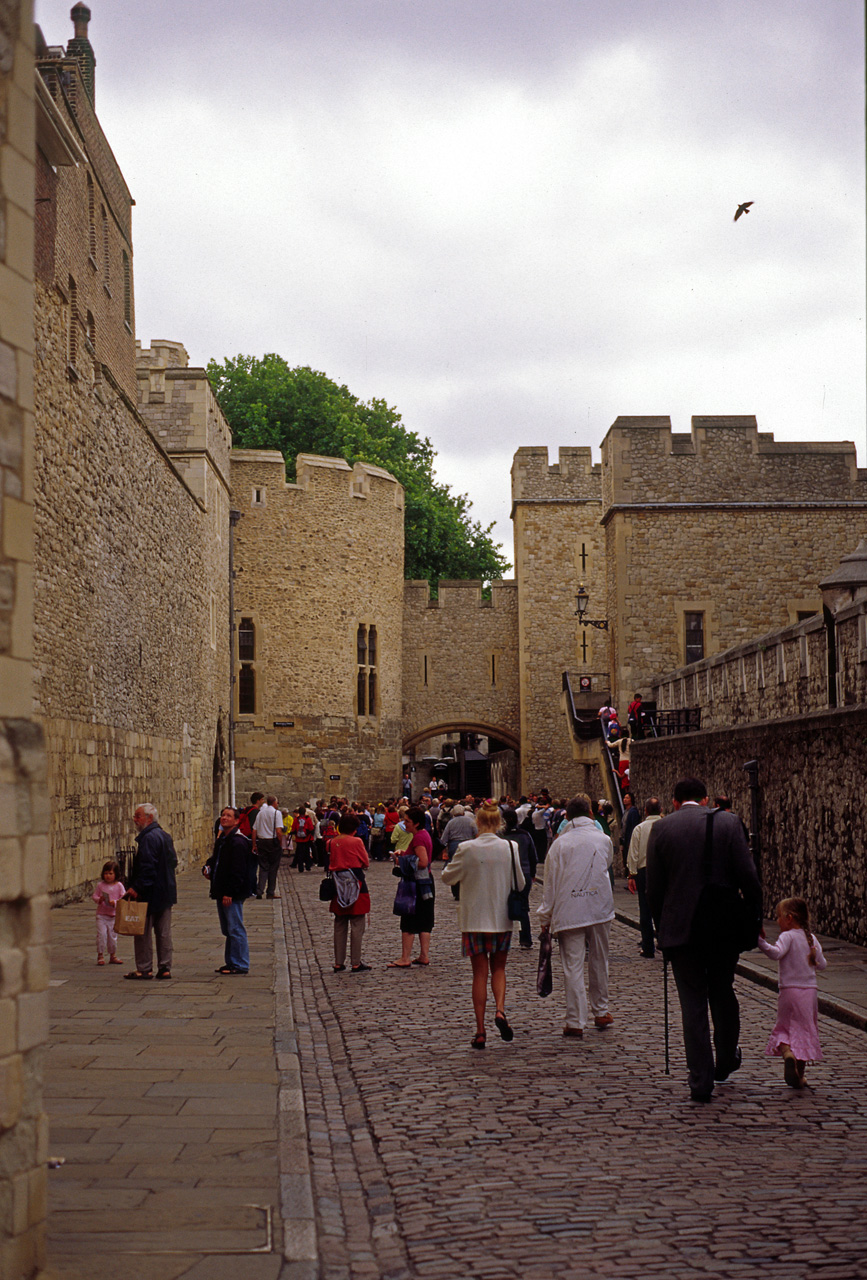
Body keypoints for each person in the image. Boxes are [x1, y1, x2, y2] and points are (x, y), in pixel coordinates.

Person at [646, 777, 762, 1103]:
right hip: (722, 927)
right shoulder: (728, 823)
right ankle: (725, 1060)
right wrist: (754, 918)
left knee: (692, 1003)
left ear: (674, 802)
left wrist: (661, 928)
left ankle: (701, 1080)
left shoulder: (662, 829)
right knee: (723, 992)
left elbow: (654, 889)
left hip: (682, 932)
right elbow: (749, 878)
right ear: (707, 799)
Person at [442, 801, 524, 1048]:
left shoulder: (467, 848)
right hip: (501, 918)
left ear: (477, 822)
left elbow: (448, 877)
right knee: (499, 969)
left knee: (479, 973)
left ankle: (480, 1030)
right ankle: (500, 1010)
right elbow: (520, 883)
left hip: (475, 919)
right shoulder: (511, 847)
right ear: (499, 823)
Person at [536, 795, 615, 1037]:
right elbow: (607, 865)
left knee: (573, 965)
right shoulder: (603, 840)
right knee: (599, 960)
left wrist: (545, 918)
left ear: (567, 816)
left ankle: (575, 1020)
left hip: (570, 909)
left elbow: (550, 884)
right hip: (599, 906)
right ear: (591, 813)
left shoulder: (560, 845)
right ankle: (600, 1010)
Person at [757, 897, 826, 1089]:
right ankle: (800, 1075)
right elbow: (823, 965)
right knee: (804, 1032)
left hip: (789, 992)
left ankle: (787, 1054)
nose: (777, 921)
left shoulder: (787, 937)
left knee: (784, 1028)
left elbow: (776, 953)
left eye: (778, 917)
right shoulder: (811, 938)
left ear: (789, 918)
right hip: (809, 994)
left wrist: (760, 941)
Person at [124, 803, 178, 980]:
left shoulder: (148, 838)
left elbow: (148, 867)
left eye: (138, 816)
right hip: (166, 892)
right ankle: (165, 967)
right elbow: (172, 862)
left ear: (149, 818)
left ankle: (145, 968)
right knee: (163, 933)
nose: (135, 819)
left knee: (143, 932)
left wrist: (137, 888)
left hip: (149, 893)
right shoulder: (165, 835)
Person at [205, 806, 252, 974]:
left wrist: (230, 892)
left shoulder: (238, 842)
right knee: (228, 929)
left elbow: (238, 871)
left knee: (235, 927)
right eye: (223, 815)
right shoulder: (223, 840)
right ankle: (232, 961)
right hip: (221, 890)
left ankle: (240, 963)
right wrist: (208, 867)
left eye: (228, 816)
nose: (224, 818)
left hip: (232, 892)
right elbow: (216, 859)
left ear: (236, 820)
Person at [388, 806, 435, 967]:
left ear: (416, 823)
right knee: (425, 919)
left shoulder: (418, 838)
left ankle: (405, 957)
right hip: (426, 881)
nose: (405, 823)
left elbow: (422, 862)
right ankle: (423, 955)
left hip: (416, 883)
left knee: (408, 919)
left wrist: (401, 860)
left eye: (407, 821)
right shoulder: (423, 835)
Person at [327, 812, 371, 973]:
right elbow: (365, 862)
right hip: (355, 882)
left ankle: (339, 962)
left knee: (339, 923)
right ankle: (356, 961)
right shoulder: (356, 841)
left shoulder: (332, 842)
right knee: (357, 923)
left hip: (337, 884)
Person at [627, 798, 663, 959]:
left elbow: (633, 853)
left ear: (646, 811)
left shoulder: (639, 829)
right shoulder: (667, 825)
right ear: (660, 809)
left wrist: (631, 874)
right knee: (664, 908)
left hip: (644, 871)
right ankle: (666, 944)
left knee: (645, 909)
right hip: (664, 870)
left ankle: (648, 947)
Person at [502, 808, 536, 949]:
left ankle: (503, 939)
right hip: (525, 873)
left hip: (507, 874)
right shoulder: (525, 835)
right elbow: (532, 856)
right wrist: (532, 874)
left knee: (504, 907)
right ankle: (525, 939)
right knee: (523, 906)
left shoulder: (502, 837)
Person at [92, 860, 125, 965]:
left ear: (116, 874)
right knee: (101, 935)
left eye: (110, 873)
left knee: (112, 936)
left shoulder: (119, 886)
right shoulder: (100, 885)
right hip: (101, 915)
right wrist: (99, 899)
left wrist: (115, 902)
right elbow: (94, 896)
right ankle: (100, 955)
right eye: (106, 873)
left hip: (113, 916)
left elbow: (123, 898)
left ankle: (112, 955)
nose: (108, 876)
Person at [253, 793, 285, 899]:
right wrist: (281, 844)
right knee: (273, 868)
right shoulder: (277, 813)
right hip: (272, 841)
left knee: (263, 867)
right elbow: (279, 831)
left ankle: (259, 890)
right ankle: (270, 892)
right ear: (274, 802)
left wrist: (254, 844)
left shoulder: (260, 813)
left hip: (261, 841)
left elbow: (254, 830)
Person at [620, 792, 641, 877]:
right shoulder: (626, 812)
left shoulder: (633, 812)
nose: (625, 799)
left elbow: (633, 826)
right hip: (625, 839)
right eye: (624, 798)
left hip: (629, 839)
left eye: (627, 798)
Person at [292, 805, 315, 871]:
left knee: (299, 854)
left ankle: (300, 867)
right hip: (306, 838)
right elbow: (311, 828)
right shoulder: (307, 819)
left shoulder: (296, 819)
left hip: (299, 839)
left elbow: (293, 828)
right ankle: (308, 866)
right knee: (307, 853)